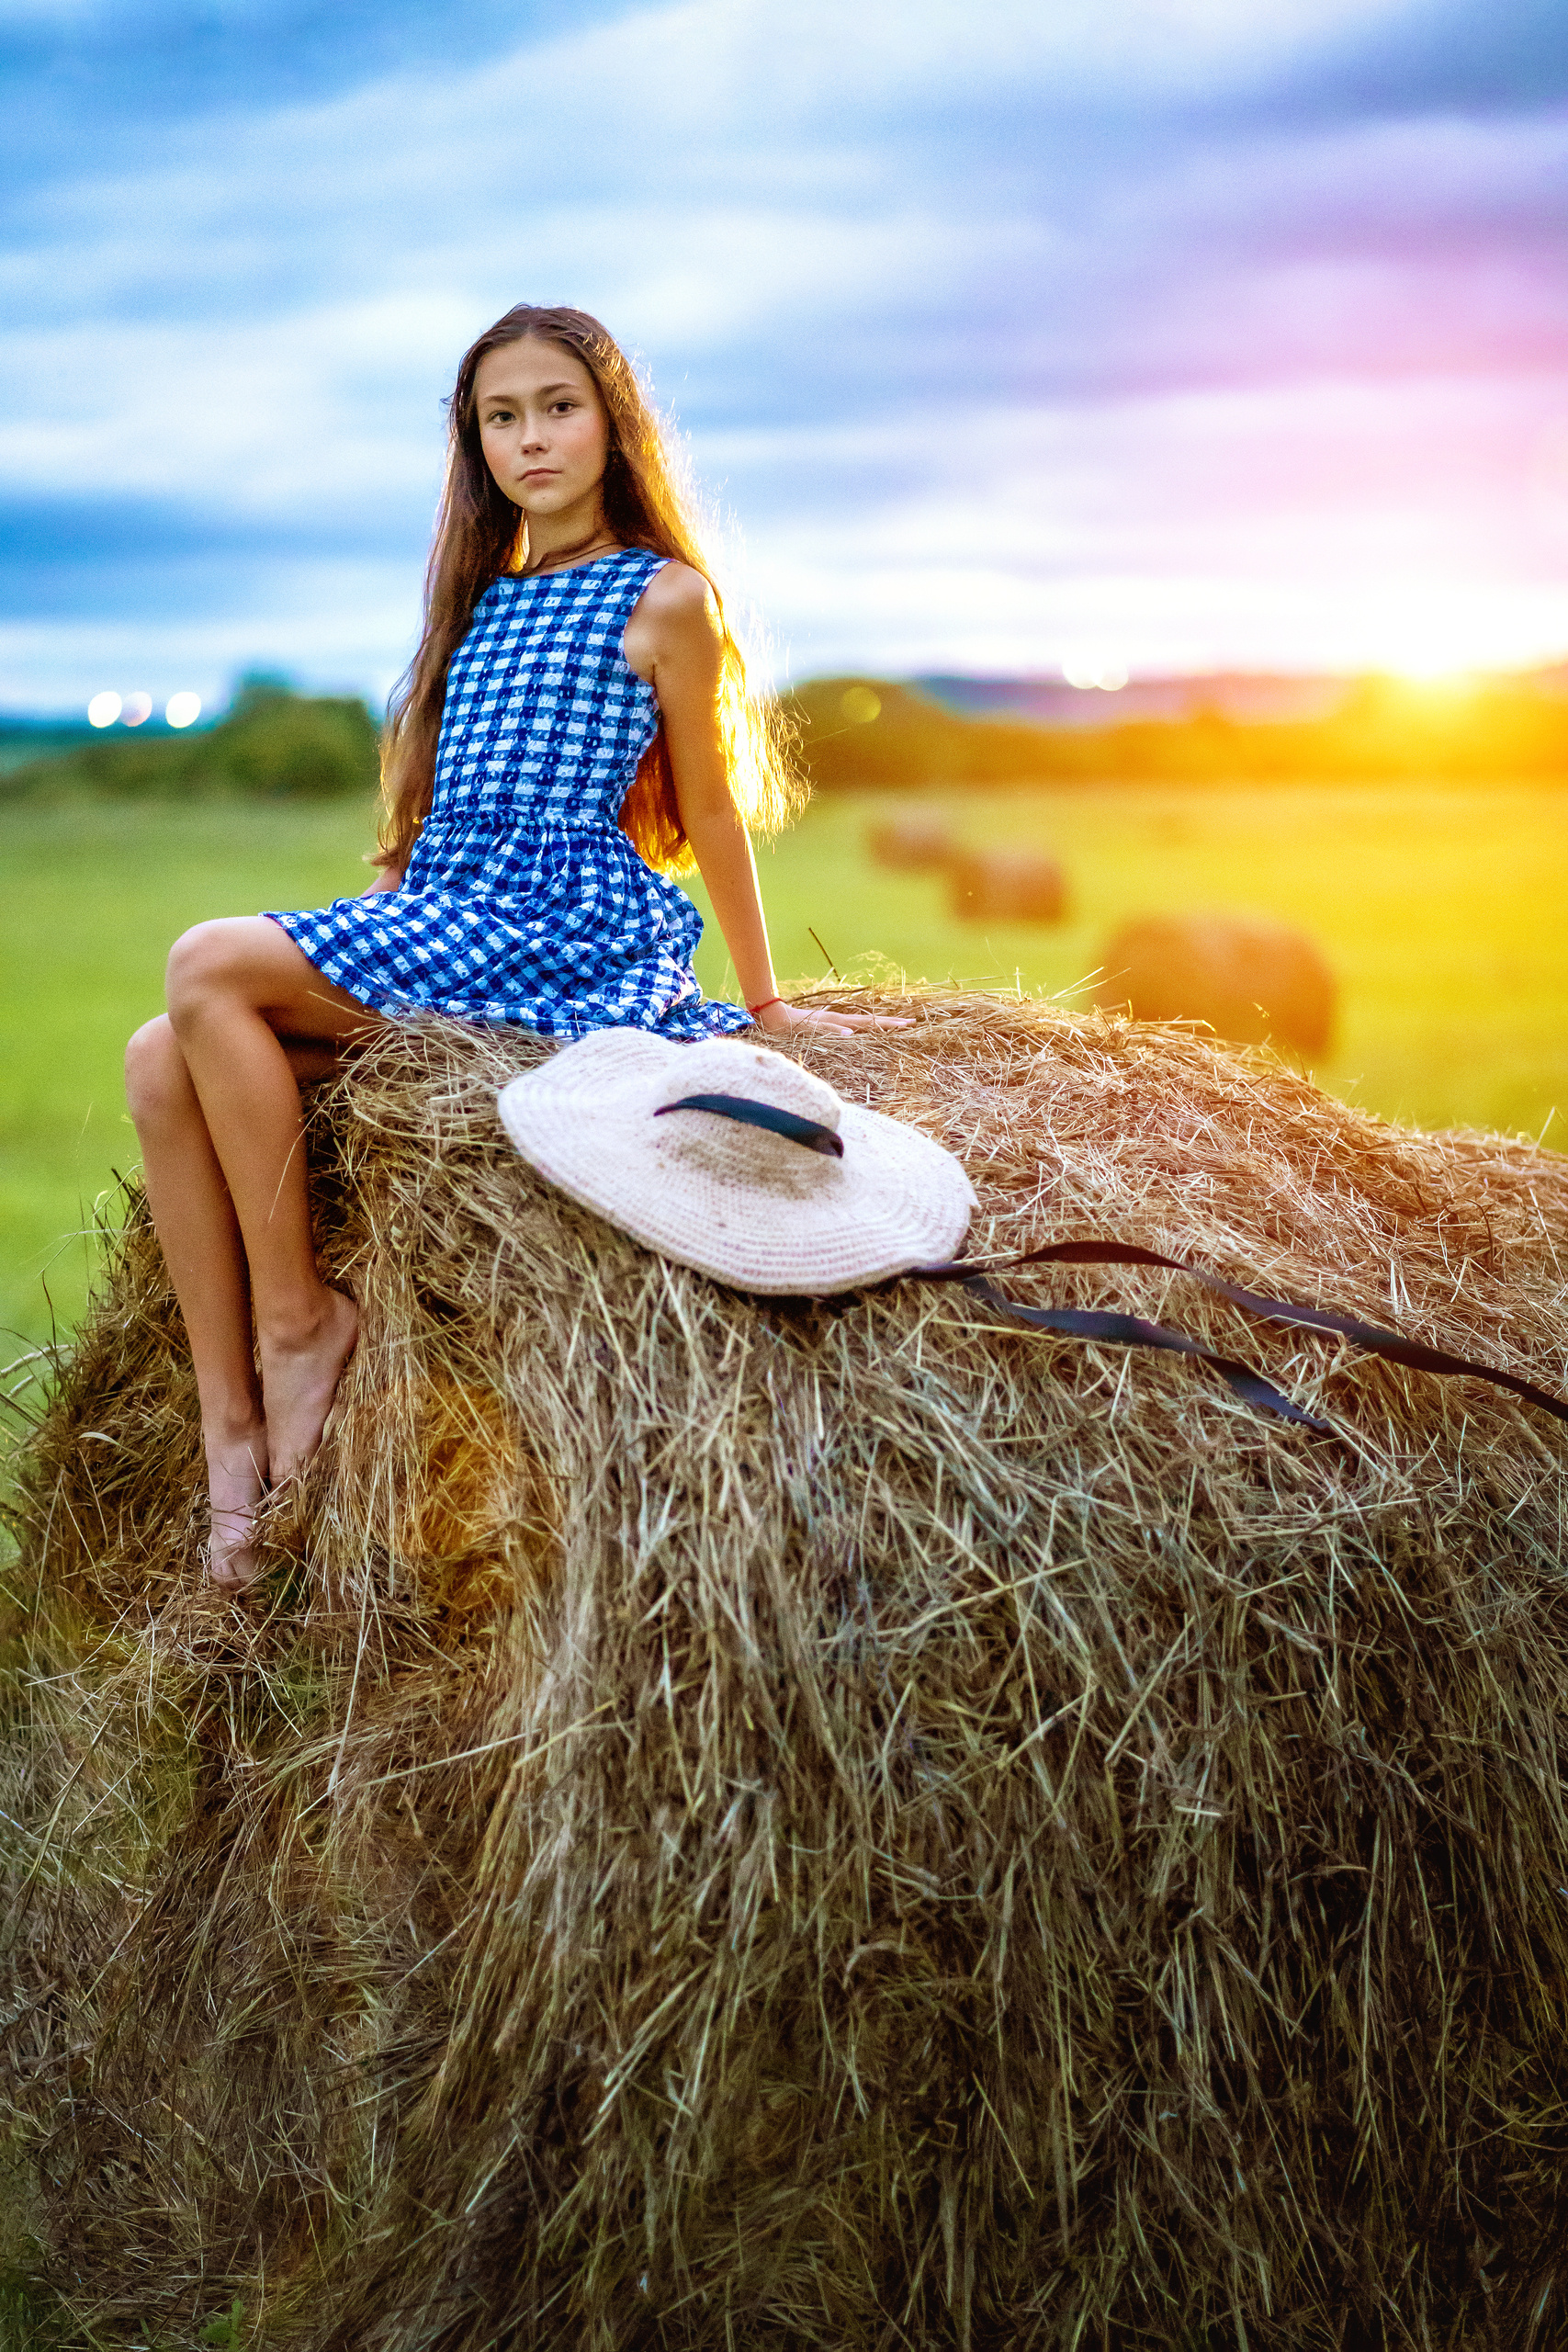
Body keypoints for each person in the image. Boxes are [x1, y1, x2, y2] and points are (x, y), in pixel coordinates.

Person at [124, 302, 891, 1593]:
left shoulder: (663, 594)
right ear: (473, 445)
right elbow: (429, 815)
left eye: (557, 407)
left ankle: (302, 1321)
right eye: (501, 417)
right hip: (451, 909)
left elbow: (708, 808)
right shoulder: (478, 600)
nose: (530, 438)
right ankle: (230, 1439)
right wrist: (374, 910)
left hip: (555, 925)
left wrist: (764, 1000)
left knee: (205, 962)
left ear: (612, 424)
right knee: (161, 1061)